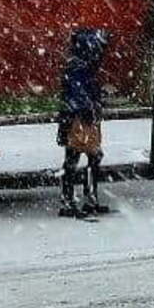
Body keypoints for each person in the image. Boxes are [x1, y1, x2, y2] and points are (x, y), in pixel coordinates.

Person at [58, 27, 111, 217]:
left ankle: (81, 199)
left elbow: (77, 91)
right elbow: (77, 92)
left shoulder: (80, 65)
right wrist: (89, 104)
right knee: (80, 157)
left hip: (80, 115)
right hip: (79, 116)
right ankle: (74, 200)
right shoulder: (80, 67)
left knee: (87, 156)